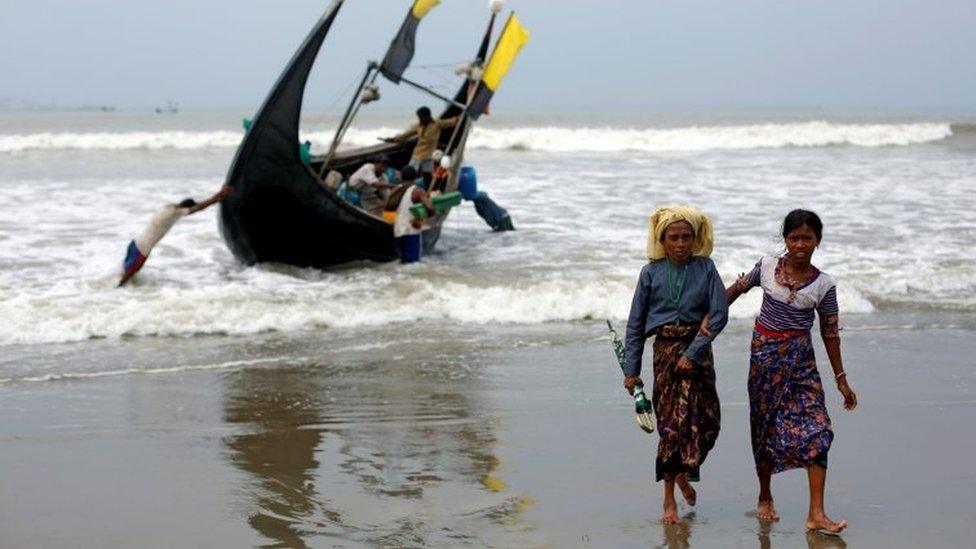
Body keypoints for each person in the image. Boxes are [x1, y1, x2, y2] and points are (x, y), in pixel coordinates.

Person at [725, 209, 857, 535]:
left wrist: (841, 380)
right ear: (785, 239)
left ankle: (816, 513)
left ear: (817, 241)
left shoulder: (824, 285)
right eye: (794, 237)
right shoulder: (767, 267)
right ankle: (765, 495)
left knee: (819, 430)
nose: (800, 244)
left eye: (807, 238)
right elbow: (734, 291)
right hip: (765, 359)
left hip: (801, 363)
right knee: (765, 427)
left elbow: (830, 333)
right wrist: (705, 321)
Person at [623, 205, 729, 525]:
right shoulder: (650, 273)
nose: (680, 244)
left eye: (686, 237)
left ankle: (683, 470)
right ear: (663, 240)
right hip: (665, 353)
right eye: (673, 238)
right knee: (670, 426)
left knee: (708, 423)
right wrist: (631, 371)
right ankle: (669, 498)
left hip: (698, 354)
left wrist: (693, 352)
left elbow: (720, 314)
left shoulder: (706, 268)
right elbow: (635, 325)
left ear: (695, 239)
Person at [118, 185, 231, 286]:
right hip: (143, 249)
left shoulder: (168, 207)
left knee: (125, 273)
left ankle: (118, 291)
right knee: (126, 278)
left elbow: (196, 205)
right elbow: (199, 208)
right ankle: (118, 291)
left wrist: (216, 199)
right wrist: (219, 195)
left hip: (135, 243)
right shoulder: (175, 213)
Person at [385, 106, 458, 183]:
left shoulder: (437, 123)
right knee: (409, 174)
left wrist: (457, 118)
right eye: (419, 117)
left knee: (427, 176)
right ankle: (406, 189)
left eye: (421, 117)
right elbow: (406, 134)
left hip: (428, 156)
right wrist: (394, 138)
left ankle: (427, 191)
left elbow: (451, 122)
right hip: (417, 154)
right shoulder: (418, 126)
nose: (420, 119)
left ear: (427, 116)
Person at [392, 166, 435, 263]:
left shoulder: (395, 190)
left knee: (402, 261)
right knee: (413, 264)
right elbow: (430, 207)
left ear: (402, 177)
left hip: (398, 230)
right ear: (415, 177)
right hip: (412, 231)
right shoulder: (417, 191)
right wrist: (429, 216)